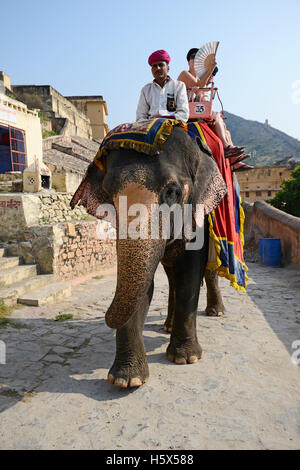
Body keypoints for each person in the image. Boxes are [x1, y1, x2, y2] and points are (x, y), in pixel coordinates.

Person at [178, 48, 252, 170]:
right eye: (193, 57)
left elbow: (203, 100)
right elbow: (200, 86)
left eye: (198, 58)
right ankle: (226, 147)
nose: (196, 59)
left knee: (226, 131)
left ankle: (233, 161)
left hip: (196, 111)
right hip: (186, 113)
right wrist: (211, 68)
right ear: (189, 61)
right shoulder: (185, 74)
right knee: (217, 117)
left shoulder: (199, 80)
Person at [136, 49, 189, 123]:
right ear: (152, 70)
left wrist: (165, 123)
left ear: (168, 68)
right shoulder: (146, 90)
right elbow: (140, 117)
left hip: (173, 126)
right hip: (151, 127)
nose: (157, 68)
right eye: (154, 66)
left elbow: (183, 114)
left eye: (161, 65)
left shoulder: (179, 86)